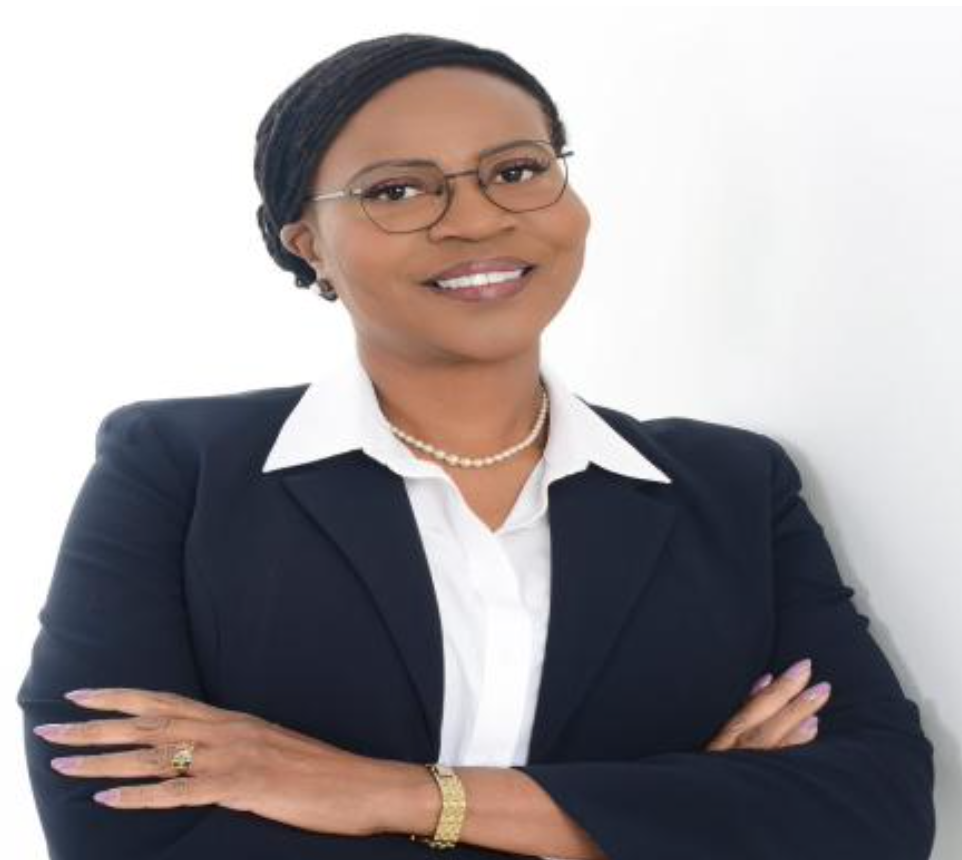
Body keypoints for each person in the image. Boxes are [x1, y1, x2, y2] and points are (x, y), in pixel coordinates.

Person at [16, 32, 935, 860]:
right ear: (309, 246)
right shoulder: (179, 468)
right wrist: (671, 817)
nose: (478, 219)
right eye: (396, 190)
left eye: (518, 169)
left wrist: (382, 793)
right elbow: (120, 832)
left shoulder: (732, 486)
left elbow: (879, 813)